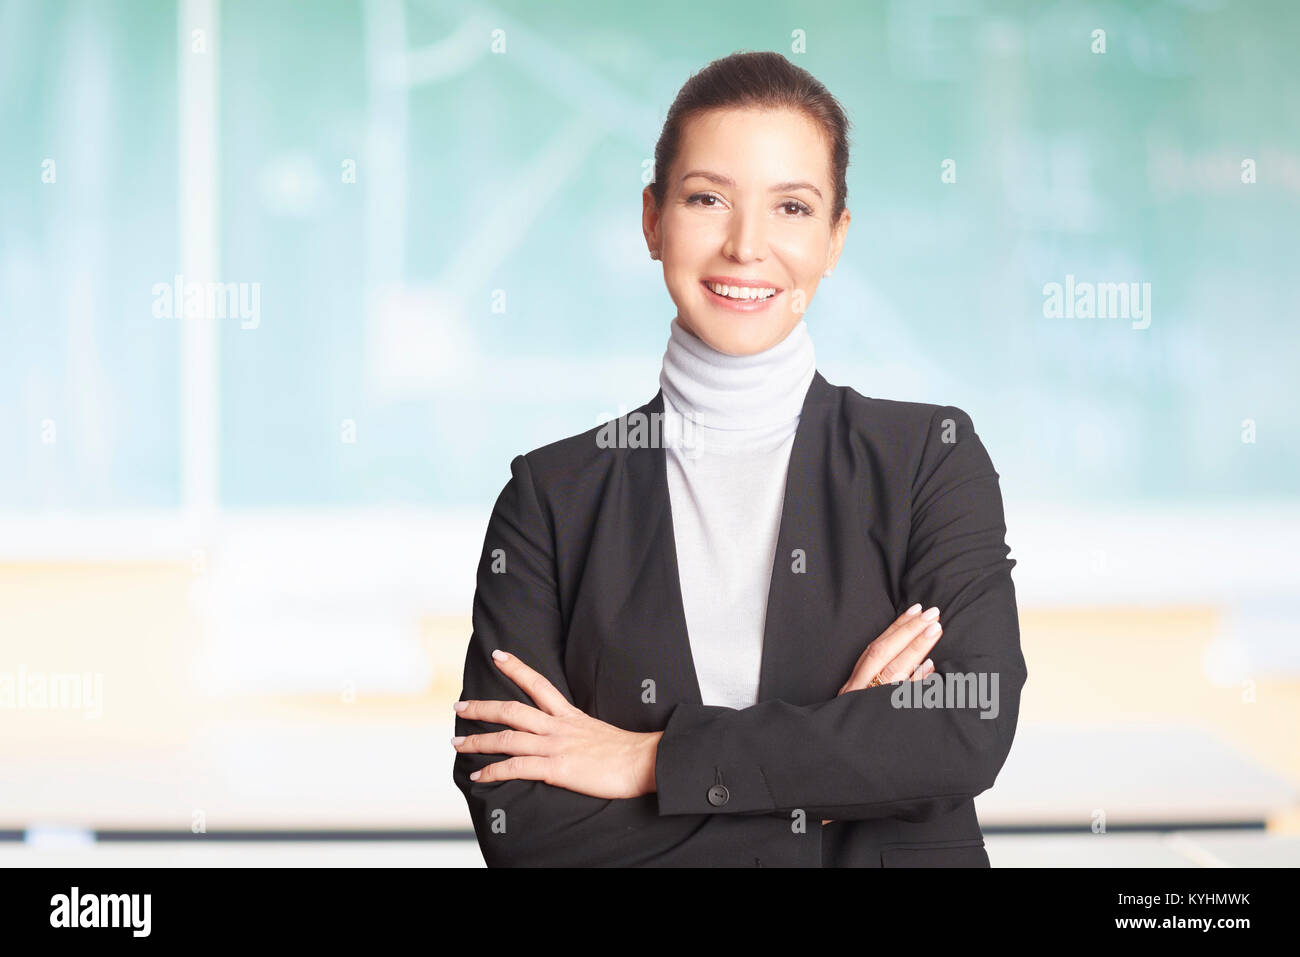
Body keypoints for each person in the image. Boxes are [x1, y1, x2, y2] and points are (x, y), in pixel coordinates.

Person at [451, 50, 1026, 867]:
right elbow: (521, 822)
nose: (746, 245)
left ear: (836, 239)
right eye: (708, 198)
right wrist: (832, 785)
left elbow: (966, 726)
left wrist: (647, 760)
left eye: (792, 206)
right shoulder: (551, 498)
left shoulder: (926, 460)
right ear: (652, 220)